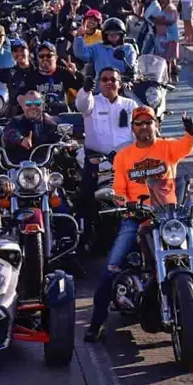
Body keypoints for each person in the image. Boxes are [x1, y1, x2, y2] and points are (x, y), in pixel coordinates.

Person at [84, 106, 193, 343]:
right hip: (137, 217)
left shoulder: (167, 147)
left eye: (148, 122)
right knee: (112, 265)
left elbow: (187, 145)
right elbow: (119, 189)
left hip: (171, 217)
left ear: (156, 125)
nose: (144, 127)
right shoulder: (124, 156)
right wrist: (126, 203)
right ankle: (97, 321)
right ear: (133, 128)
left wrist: (191, 130)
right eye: (139, 123)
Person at [74, 68, 138, 250]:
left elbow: (138, 132)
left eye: (113, 79)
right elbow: (81, 105)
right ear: (99, 83)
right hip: (97, 161)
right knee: (85, 198)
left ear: (119, 83)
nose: (109, 82)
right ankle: (85, 239)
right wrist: (85, 89)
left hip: (125, 162)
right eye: (104, 79)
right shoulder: (92, 101)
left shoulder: (130, 104)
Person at [2, 89, 62, 164]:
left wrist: (69, 142)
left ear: (43, 105)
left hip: (45, 166)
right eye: (28, 103)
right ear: (23, 106)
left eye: (37, 103)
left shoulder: (51, 123)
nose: (33, 106)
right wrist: (20, 139)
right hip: (19, 166)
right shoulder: (15, 121)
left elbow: (62, 135)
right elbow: (7, 133)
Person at [73, 17, 137, 77]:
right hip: (101, 82)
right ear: (104, 35)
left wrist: (131, 70)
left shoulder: (128, 48)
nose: (113, 35)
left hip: (121, 81)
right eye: (109, 33)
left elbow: (132, 64)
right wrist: (79, 37)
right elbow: (82, 54)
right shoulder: (97, 47)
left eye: (117, 33)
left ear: (122, 35)